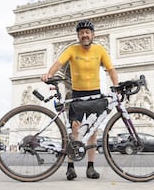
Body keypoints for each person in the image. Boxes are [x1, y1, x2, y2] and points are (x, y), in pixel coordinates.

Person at [41, 19, 118, 180]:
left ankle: (90, 167)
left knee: (92, 132)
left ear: (93, 34)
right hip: (77, 95)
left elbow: (111, 69)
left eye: (87, 32)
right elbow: (59, 63)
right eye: (81, 32)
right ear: (78, 35)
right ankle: (70, 167)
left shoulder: (100, 50)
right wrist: (49, 73)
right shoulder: (72, 50)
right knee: (74, 131)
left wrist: (116, 86)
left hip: (95, 95)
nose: (84, 35)